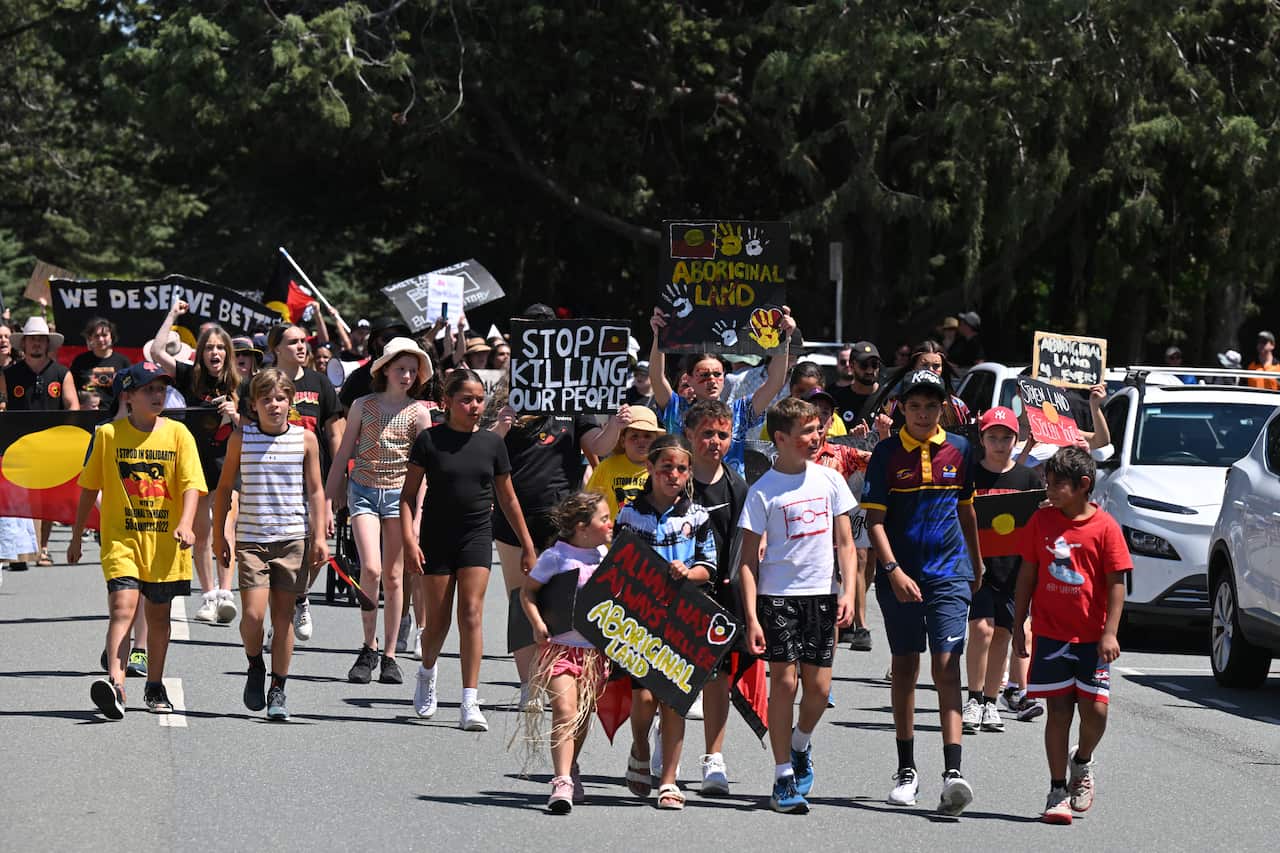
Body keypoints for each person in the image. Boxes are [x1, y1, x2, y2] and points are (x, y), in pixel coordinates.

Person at [863, 368, 983, 816]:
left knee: (948, 666)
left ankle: (953, 772)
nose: (922, 413)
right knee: (906, 668)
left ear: (943, 408)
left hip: (949, 572)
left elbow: (966, 509)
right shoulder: (886, 453)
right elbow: (875, 521)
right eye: (914, 405)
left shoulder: (962, 448)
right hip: (901, 575)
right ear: (901, 409)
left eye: (931, 405)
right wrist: (892, 570)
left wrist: (978, 560)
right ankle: (906, 769)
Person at [739, 397, 858, 814]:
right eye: (807, 432)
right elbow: (748, 563)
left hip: (822, 598)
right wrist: (752, 615)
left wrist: (847, 592)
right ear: (781, 439)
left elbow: (846, 543)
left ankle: (800, 742)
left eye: (817, 429)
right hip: (778, 598)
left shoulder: (830, 479)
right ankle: (782, 776)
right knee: (785, 684)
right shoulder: (762, 492)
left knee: (820, 689)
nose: (816, 437)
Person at [402, 369, 537, 731]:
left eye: (479, 399)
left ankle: (469, 700)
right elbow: (406, 497)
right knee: (438, 620)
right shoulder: (429, 441)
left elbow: (508, 499)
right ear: (447, 402)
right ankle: (427, 673)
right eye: (466, 399)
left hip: (476, 534)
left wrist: (527, 544)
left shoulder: (492, 444)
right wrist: (409, 541)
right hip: (436, 536)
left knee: (472, 613)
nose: (475, 406)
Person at [69, 362, 204, 718]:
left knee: (158, 619)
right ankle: (116, 684)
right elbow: (88, 488)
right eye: (149, 390)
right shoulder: (108, 436)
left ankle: (154, 685)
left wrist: (188, 524)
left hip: (165, 545)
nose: (158, 395)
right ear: (128, 397)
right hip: (121, 540)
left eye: (161, 389)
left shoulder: (178, 434)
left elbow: (192, 484)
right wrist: (76, 536)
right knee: (122, 609)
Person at [1012, 446, 1130, 824]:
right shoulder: (1041, 522)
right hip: (1050, 634)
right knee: (1058, 711)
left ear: (1082, 486)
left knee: (1095, 711)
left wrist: (1110, 633)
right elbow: (1027, 575)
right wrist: (1019, 625)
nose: (1049, 489)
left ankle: (1082, 761)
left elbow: (1116, 583)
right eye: (1047, 482)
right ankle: (1057, 789)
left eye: (1057, 484)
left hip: (1092, 640)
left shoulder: (1105, 527)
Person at [213, 369, 329, 720]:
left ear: (290, 401)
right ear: (253, 404)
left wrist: (320, 536)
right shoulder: (241, 438)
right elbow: (223, 490)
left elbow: (316, 490)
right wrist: (220, 534)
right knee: (252, 616)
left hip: (293, 539)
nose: (274, 405)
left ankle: (278, 688)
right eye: (266, 399)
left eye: (280, 398)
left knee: (284, 619)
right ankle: (254, 664)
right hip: (252, 539)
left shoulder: (305, 439)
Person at [616, 434, 717, 810]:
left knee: (674, 700)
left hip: (682, 617)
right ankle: (641, 746)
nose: (672, 475)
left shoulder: (698, 516)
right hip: (639, 617)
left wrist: (687, 573)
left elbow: (710, 565)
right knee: (643, 695)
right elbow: (616, 563)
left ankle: (670, 781)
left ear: (689, 472)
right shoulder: (629, 512)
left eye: (680, 469)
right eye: (665, 468)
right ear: (650, 469)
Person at [325, 339, 433, 685]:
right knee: (369, 567)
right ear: (385, 369)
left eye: (413, 371)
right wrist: (328, 500)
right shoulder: (362, 405)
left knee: (394, 574)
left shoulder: (419, 412)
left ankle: (389, 654)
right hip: (363, 490)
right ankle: (367, 646)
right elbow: (343, 453)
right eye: (401, 368)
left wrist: (418, 514)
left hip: (400, 496)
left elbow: (426, 467)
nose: (406, 376)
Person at [521, 491, 613, 814]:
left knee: (582, 718)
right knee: (564, 711)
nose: (610, 523)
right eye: (604, 519)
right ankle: (561, 782)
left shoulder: (605, 555)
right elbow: (528, 593)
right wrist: (536, 624)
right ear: (581, 527)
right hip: (560, 648)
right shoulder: (556, 557)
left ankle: (571, 765)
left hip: (593, 653)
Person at [151, 305, 244, 625]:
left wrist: (235, 414)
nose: (215, 352)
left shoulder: (242, 384)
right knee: (202, 532)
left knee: (226, 528)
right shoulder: (190, 377)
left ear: (227, 353)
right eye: (209, 348)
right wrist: (173, 317)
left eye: (220, 347)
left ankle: (226, 593)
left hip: (227, 462)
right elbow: (157, 351)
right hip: (194, 461)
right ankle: (207, 595)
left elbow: (256, 426)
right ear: (201, 353)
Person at [961, 407, 1045, 736]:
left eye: (1007, 437)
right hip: (976, 567)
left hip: (1014, 570)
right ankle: (973, 698)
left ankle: (991, 702)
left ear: (1016, 439)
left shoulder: (1027, 479)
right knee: (980, 629)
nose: (999, 443)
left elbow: (1037, 524)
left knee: (1003, 634)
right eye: (992, 437)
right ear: (981, 439)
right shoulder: (969, 475)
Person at [682, 400, 748, 796]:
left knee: (717, 678)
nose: (715, 442)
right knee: (670, 676)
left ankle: (713, 759)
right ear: (689, 435)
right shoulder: (672, 477)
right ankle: (662, 742)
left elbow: (743, 549)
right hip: (671, 594)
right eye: (707, 433)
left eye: (722, 434)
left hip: (720, 598)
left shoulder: (737, 487)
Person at [265, 322, 345, 639]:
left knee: (316, 550)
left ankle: (300, 597)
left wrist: (339, 480)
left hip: (313, 482)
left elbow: (335, 433)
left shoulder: (320, 383)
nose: (302, 346)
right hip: (271, 484)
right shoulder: (260, 384)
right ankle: (280, 617)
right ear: (276, 349)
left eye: (304, 341)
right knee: (275, 556)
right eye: (293, 341)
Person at [647, 305, 793, 478]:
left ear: (725, 377)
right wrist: (659, 336)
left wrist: (784, 338)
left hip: (728, 495)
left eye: (717, 374)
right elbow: (656, 376)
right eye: (704, 375)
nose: (711, 380)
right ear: (689, 379)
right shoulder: (676, 408)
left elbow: (775, 382)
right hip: (684, 492)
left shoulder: (739, 411)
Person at [7, 316, 79, 566]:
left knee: (47, 497)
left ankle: (44, 548)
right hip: (18, 447)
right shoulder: (9, 374)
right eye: (31, 340)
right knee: (19, 497)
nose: (36, 344)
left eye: (40, 340)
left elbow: (73, 406)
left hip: (52, 446)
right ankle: (20, 551)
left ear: (47, 344)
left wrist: (70, 439)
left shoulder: (62, 373)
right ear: (23, 344)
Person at [584, 406, 664, 518]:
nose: (641, 441)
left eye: (647, 436)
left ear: (656, 442)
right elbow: (588, 503)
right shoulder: (607, 467)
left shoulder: (661, 469)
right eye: (634, 436)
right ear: (622, 441)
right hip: (612, 533)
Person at [872, 341, 970, 432]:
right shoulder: (892, 404)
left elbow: (968, 437)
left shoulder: (958, 406)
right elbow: (876, 439)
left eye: (936, 366)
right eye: (924, 365)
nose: (930, 370)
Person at [338, 316, 412, 408]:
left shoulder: (416, 374)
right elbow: (344, 414)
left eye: (400, 338)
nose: (394, 343)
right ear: (373, 343)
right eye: (387, 338)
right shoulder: (359, 377)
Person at [69, 317, 131, 406]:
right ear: (90, 338)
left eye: (104, 335)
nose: (101, 339)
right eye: (97, 336)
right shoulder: (80, 361)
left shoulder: (123, 362)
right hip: (87, 415)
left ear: (111, 336)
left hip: (116, 415)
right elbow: (72, 390)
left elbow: (130, 391)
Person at [831, 341, 881, 434]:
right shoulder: (837, 400)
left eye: (874, 364)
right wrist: (849, 439)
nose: (870, 370)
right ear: (851, 366)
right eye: (864, 365)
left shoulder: (889, 399)